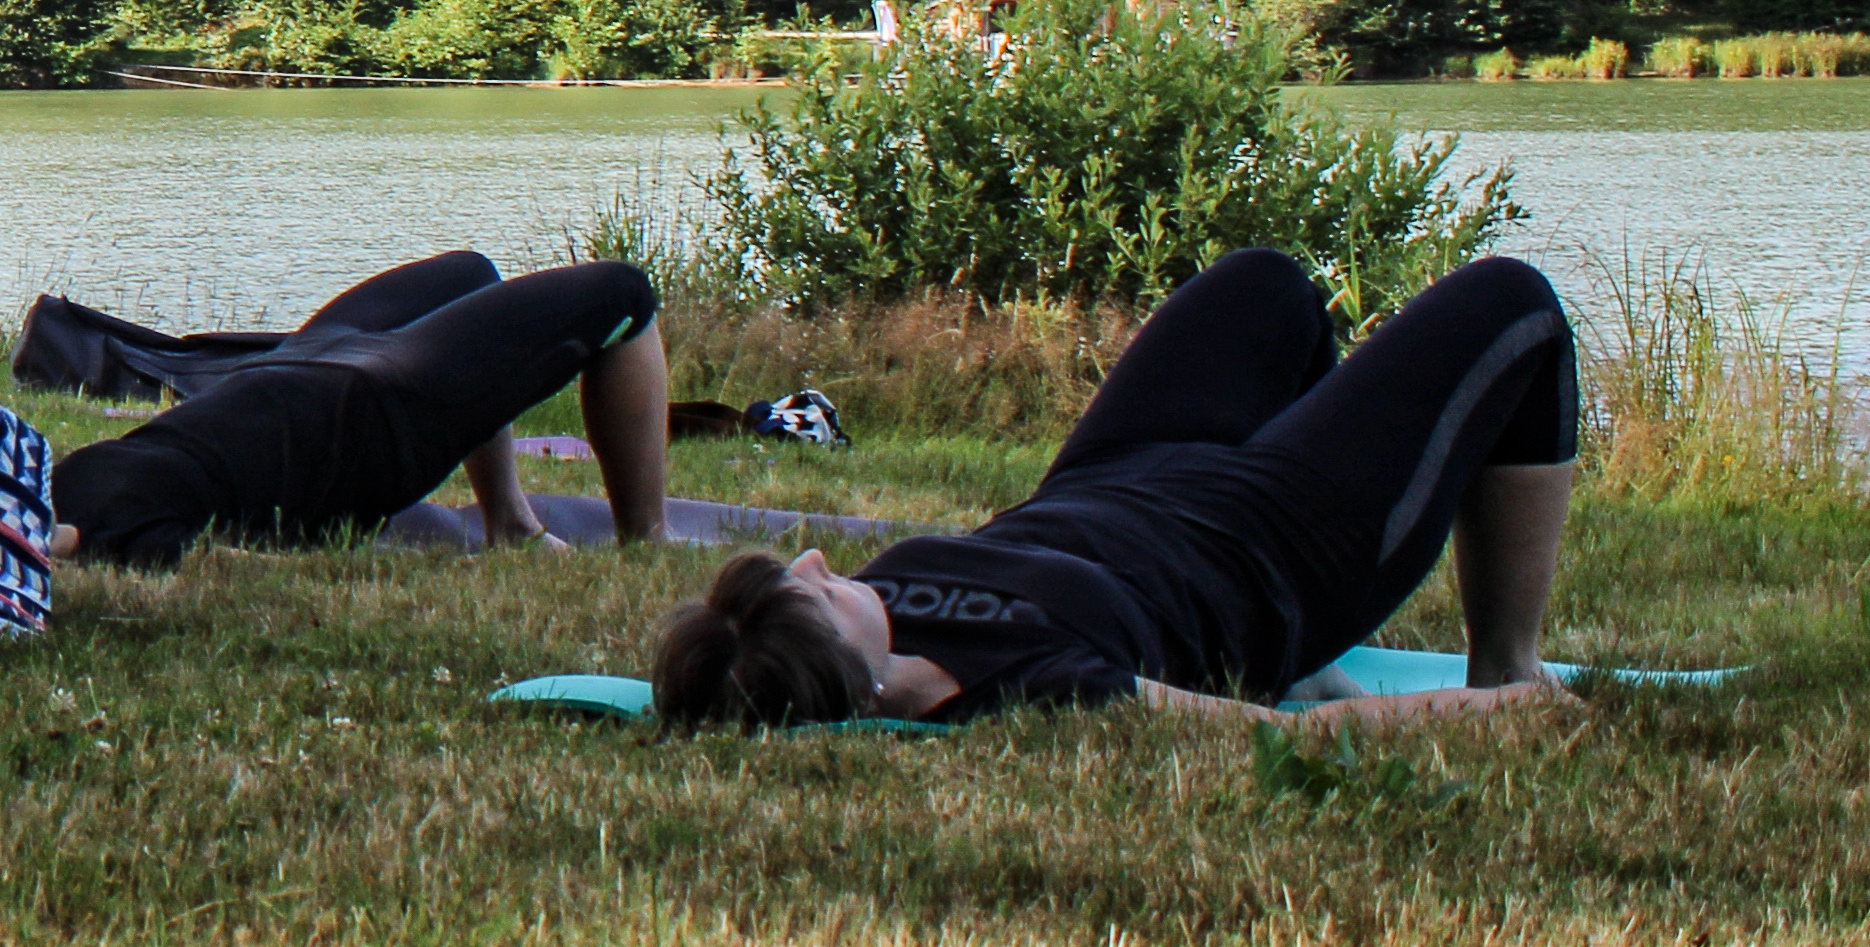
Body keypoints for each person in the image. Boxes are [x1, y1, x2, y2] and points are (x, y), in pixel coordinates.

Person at [652, 250, 1582, 730]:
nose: (819, 559)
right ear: (856, 674)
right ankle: (1509, 661)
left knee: (1267, 287)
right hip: (1273, 543)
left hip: (1116, 473)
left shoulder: (878, 611)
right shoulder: (1038, 688)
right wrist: (1499, 714)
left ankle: (1318, 659)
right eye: (813, 591)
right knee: (1514, 305)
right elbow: (1275, 737)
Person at [40, 249, 674, 566]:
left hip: (299, 363)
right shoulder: (119, 540)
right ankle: (645, 540)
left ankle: (508, 522)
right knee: (623, 292)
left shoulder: (43, 480)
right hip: (372, 420)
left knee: (470, 270)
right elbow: (231, 567)